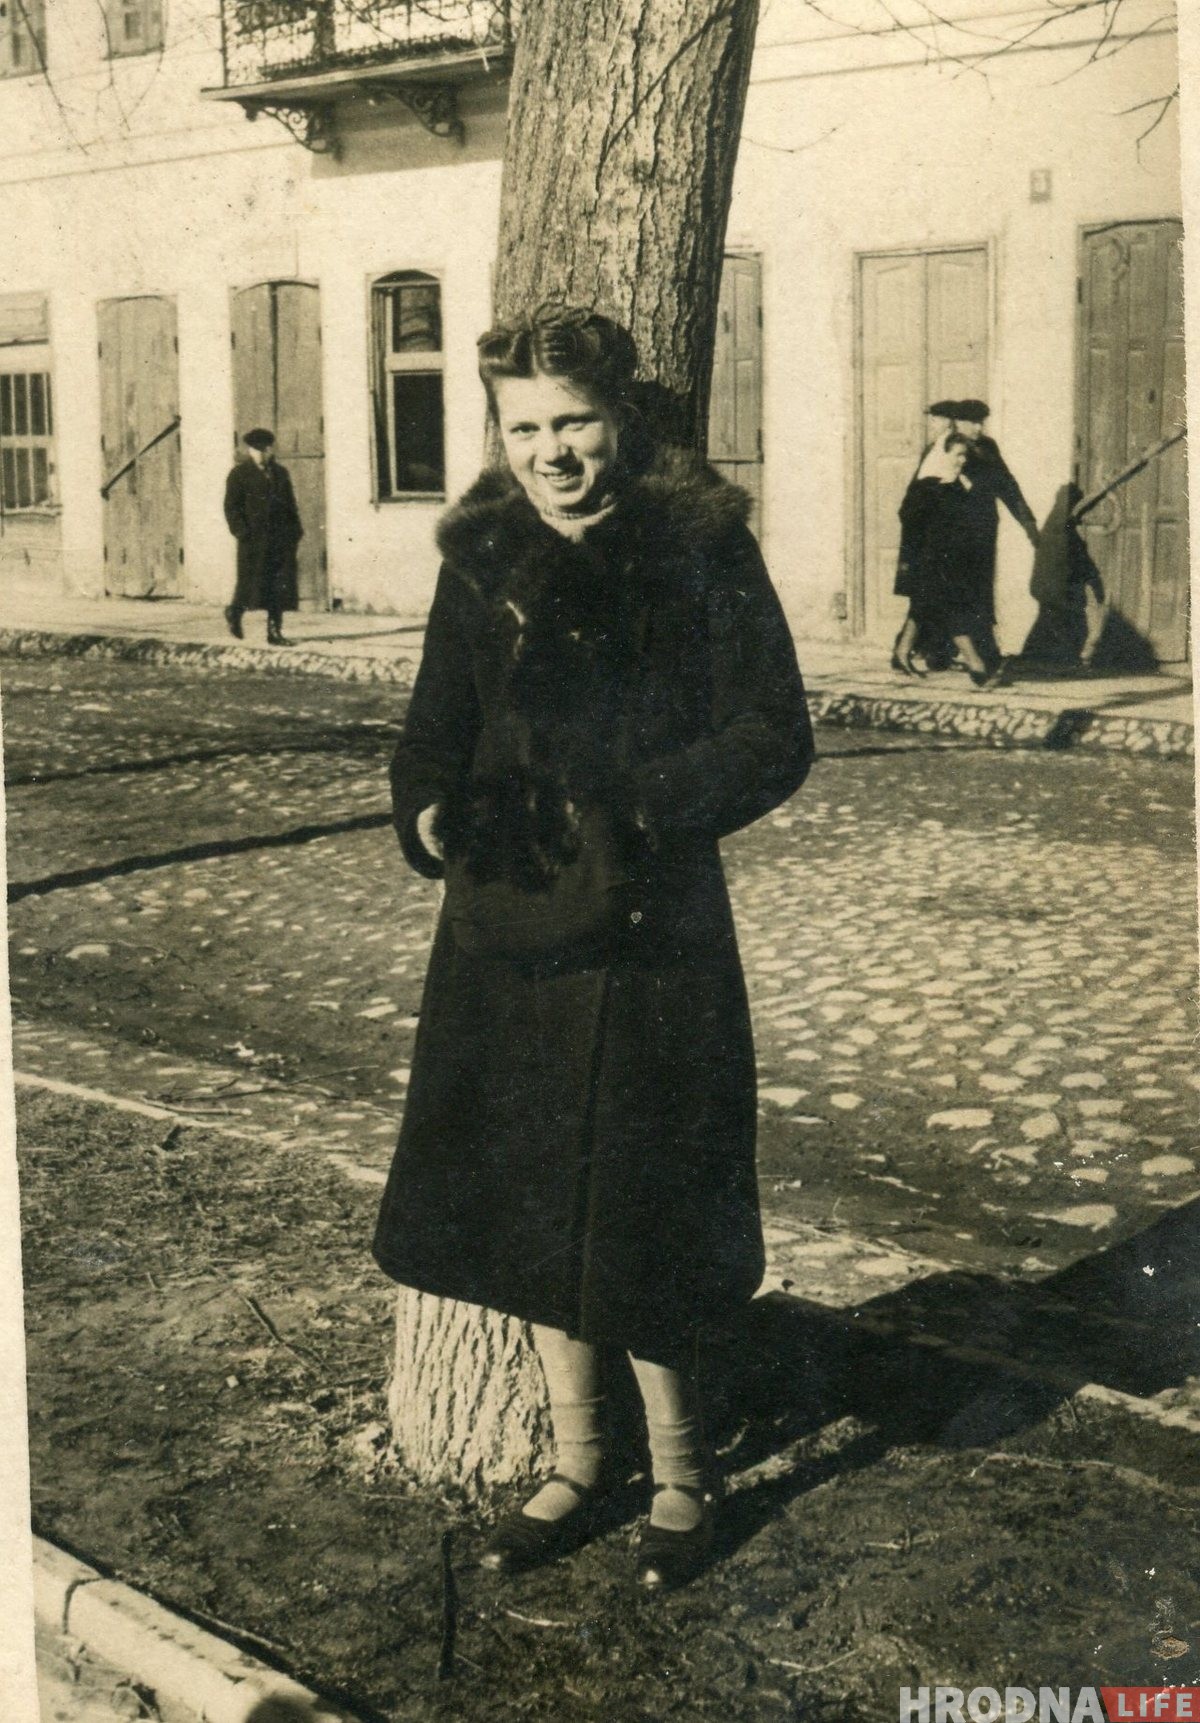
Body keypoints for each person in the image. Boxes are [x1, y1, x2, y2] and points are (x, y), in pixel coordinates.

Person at [372, 305, 814, 1591]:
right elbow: (428, 732)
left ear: (619, 417)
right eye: (526, 427)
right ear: (498, 433)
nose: (552, 451)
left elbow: (772, 731)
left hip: (649, 934)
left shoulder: (700, 548)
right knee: (527, 1202)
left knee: (643, 1208)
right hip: (507, 929)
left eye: (573, 421)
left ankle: (683, 1477)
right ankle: (574, 1465)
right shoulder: (483, 554)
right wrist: (434, 813)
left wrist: (637, 810)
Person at [893, 433, 1000, 687]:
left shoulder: (960, 482)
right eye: (957, 454)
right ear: (944, 453)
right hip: (930, 558)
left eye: (965, 455)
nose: (962, 460)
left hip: (954, 559)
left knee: (922, 607)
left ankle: (901, 652)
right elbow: (908, 517)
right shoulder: (928, 483)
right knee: (953, 610)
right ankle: (977, 666)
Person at [952, 399, 1039, 672]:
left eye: (981, 422)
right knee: (958, 591)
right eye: (972, 422)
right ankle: (967, 652)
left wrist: (1028, 522)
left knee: (981, 589)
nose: (977, 428)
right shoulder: (947, 448)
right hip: (954, 531)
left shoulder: (988, 448)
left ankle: (984, 651)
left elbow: (1007, 484)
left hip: (984, 527)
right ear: (958, 422)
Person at [222, 428, 303, 646]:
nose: (260, 453)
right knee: (249, 584)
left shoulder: (280, 473)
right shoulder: (239, 475)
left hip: (280, 539)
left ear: (270, 449)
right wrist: (242, 532)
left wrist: (295, 531)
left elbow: (290, 504)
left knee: (280, 585)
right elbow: (231, 508)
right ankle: (234, 612)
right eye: (255, 450)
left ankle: (274, 632)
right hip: (253, 540)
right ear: (250, 451)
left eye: (264, 449)